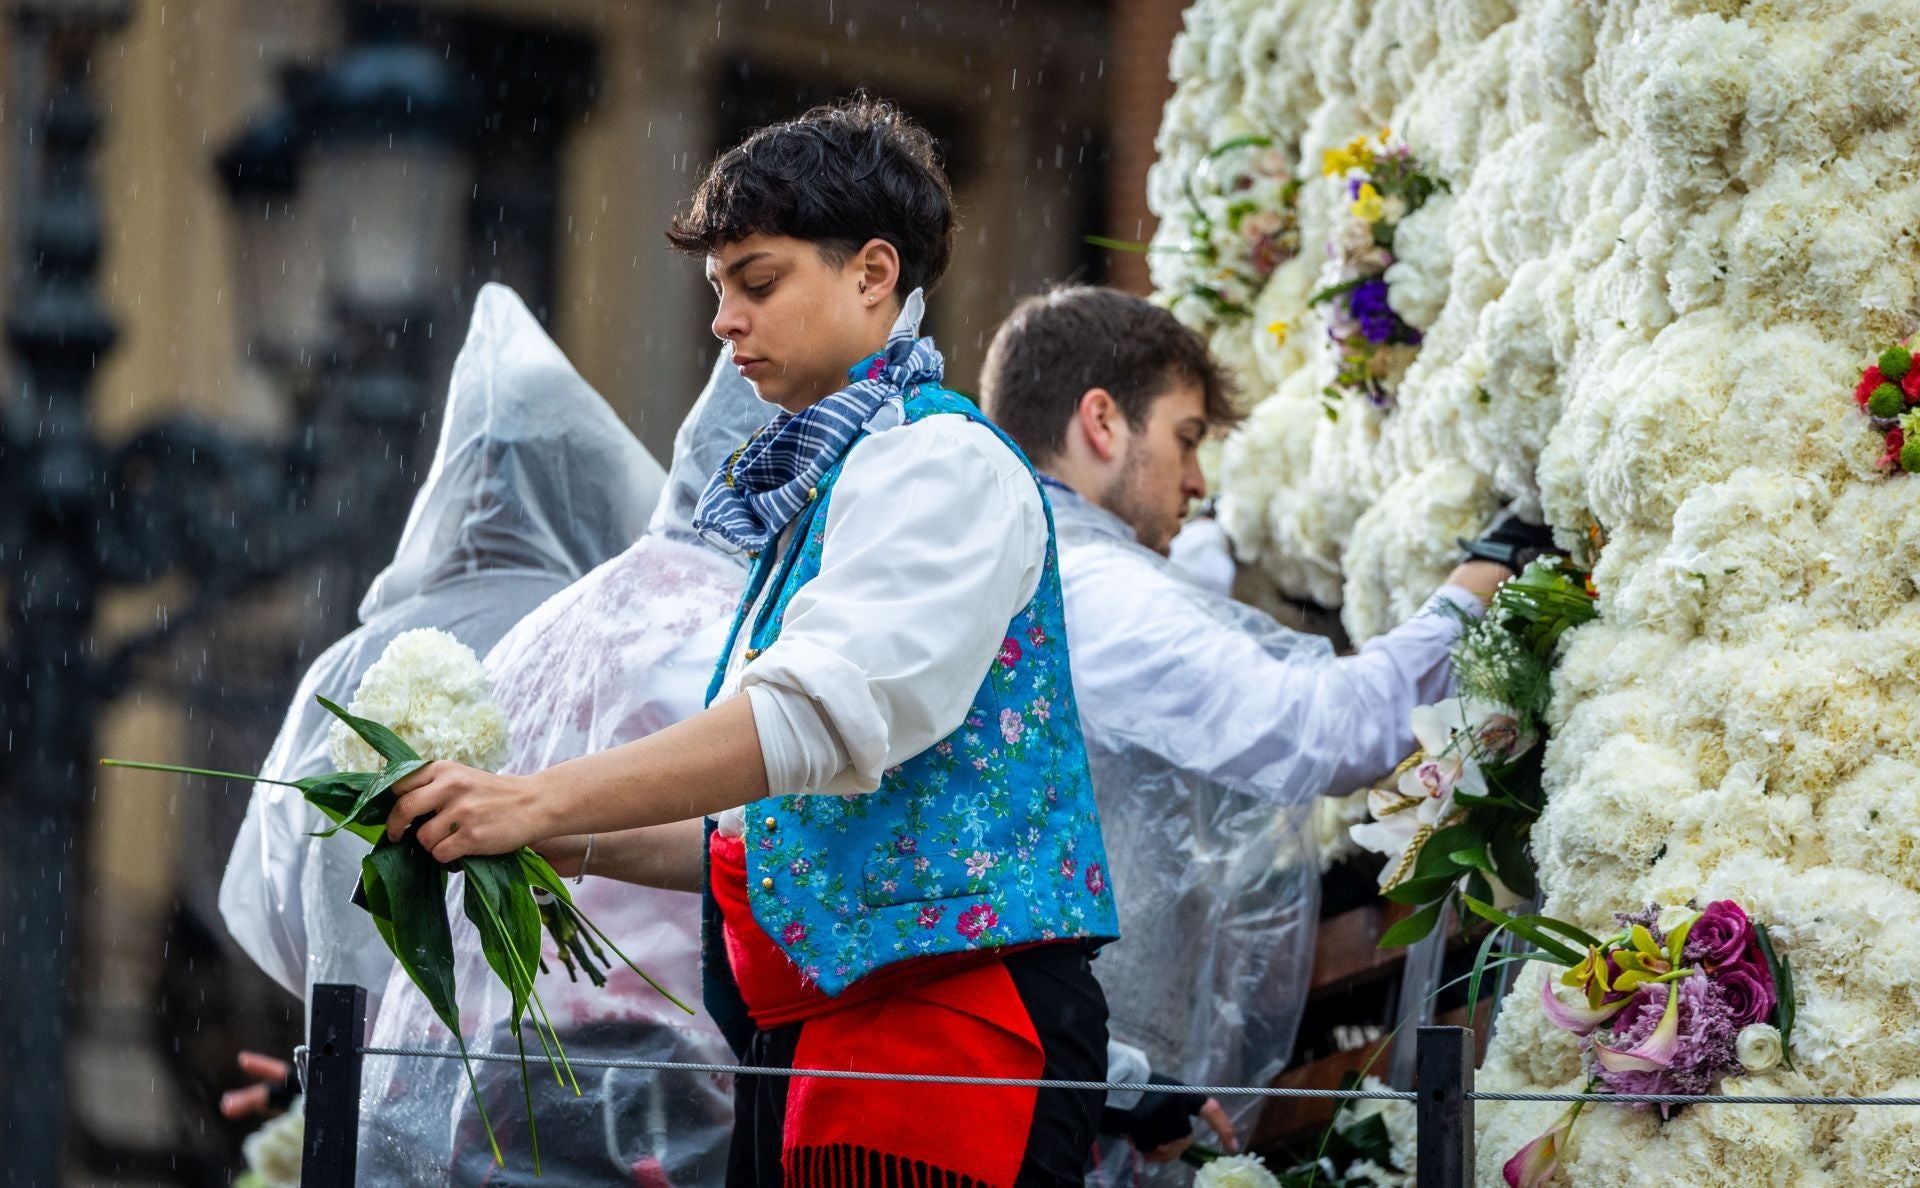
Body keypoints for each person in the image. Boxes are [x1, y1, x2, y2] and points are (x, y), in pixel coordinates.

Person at [382, 97, 1120, 1187]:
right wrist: (523, 834)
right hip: (839, 1051)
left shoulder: (940, 463)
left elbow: (809, 720)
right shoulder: (833, 487)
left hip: (947, 1047)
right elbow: (751, 835)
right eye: (717, 289)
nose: (724, 322)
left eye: (757, 282)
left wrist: (539, 802)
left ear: (876, 275)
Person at [978, 286, 1517, 1173]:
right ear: (1101, 422)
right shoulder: (1094, 594)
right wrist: (1473, 590)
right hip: (1045, 1105)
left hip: (1062, 1081)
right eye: (1186, 440)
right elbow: (1324, 732)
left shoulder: (1028, 568)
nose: (1197, 483)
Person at [357, 347, 776, 1187]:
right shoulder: (748, 635)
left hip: (491, 1047)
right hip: (671, 1065)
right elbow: (765, 848)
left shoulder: (552, 622)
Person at [217, 282, 663, 1038]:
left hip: (381, 1084)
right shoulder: (635, 658)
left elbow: (281, 914)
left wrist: (390, 987)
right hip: (602, 1085)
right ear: (603, 495)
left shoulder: (353, 665)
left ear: (450, 493)